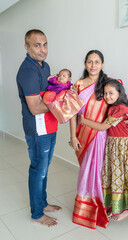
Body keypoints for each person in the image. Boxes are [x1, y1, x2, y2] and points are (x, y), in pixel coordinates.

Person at [69, 50, 128, 229]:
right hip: (83, 132)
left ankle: (101, 206)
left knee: (99, 172)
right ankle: (87, 208)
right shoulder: (78, 85)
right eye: (90, 62)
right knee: (86, 171)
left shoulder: (107, 84)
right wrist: (73, 136)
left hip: (101, 135)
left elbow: (125, 101)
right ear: (85, 64)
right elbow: (73, 114)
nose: (93, 65)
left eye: (97, 62)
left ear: (102, 64)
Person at [78, 78, 128, 221]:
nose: (107, 96)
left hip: (126, 146)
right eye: (105, 93)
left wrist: (83, 121)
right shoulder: (114, 106)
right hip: (116, 145)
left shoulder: (120, 108)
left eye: (111, 93)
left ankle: (125, 210)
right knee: (118, 176)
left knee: (126, 176)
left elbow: (103, 127)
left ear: (120, 93)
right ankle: (117, 207)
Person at [16, 29, 61, 227]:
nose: (42, 49)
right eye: (37, 45)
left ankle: (42, 202)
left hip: (50, 125)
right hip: (37, 129)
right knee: (38, 169)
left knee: (45, 167)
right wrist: (62, 102)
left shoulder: (45, 65)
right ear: (26, 47)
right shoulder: (27, 70)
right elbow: (35, 108)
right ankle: (37, 214)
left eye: (45, 44)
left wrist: (63, 90)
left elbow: (50, 94)